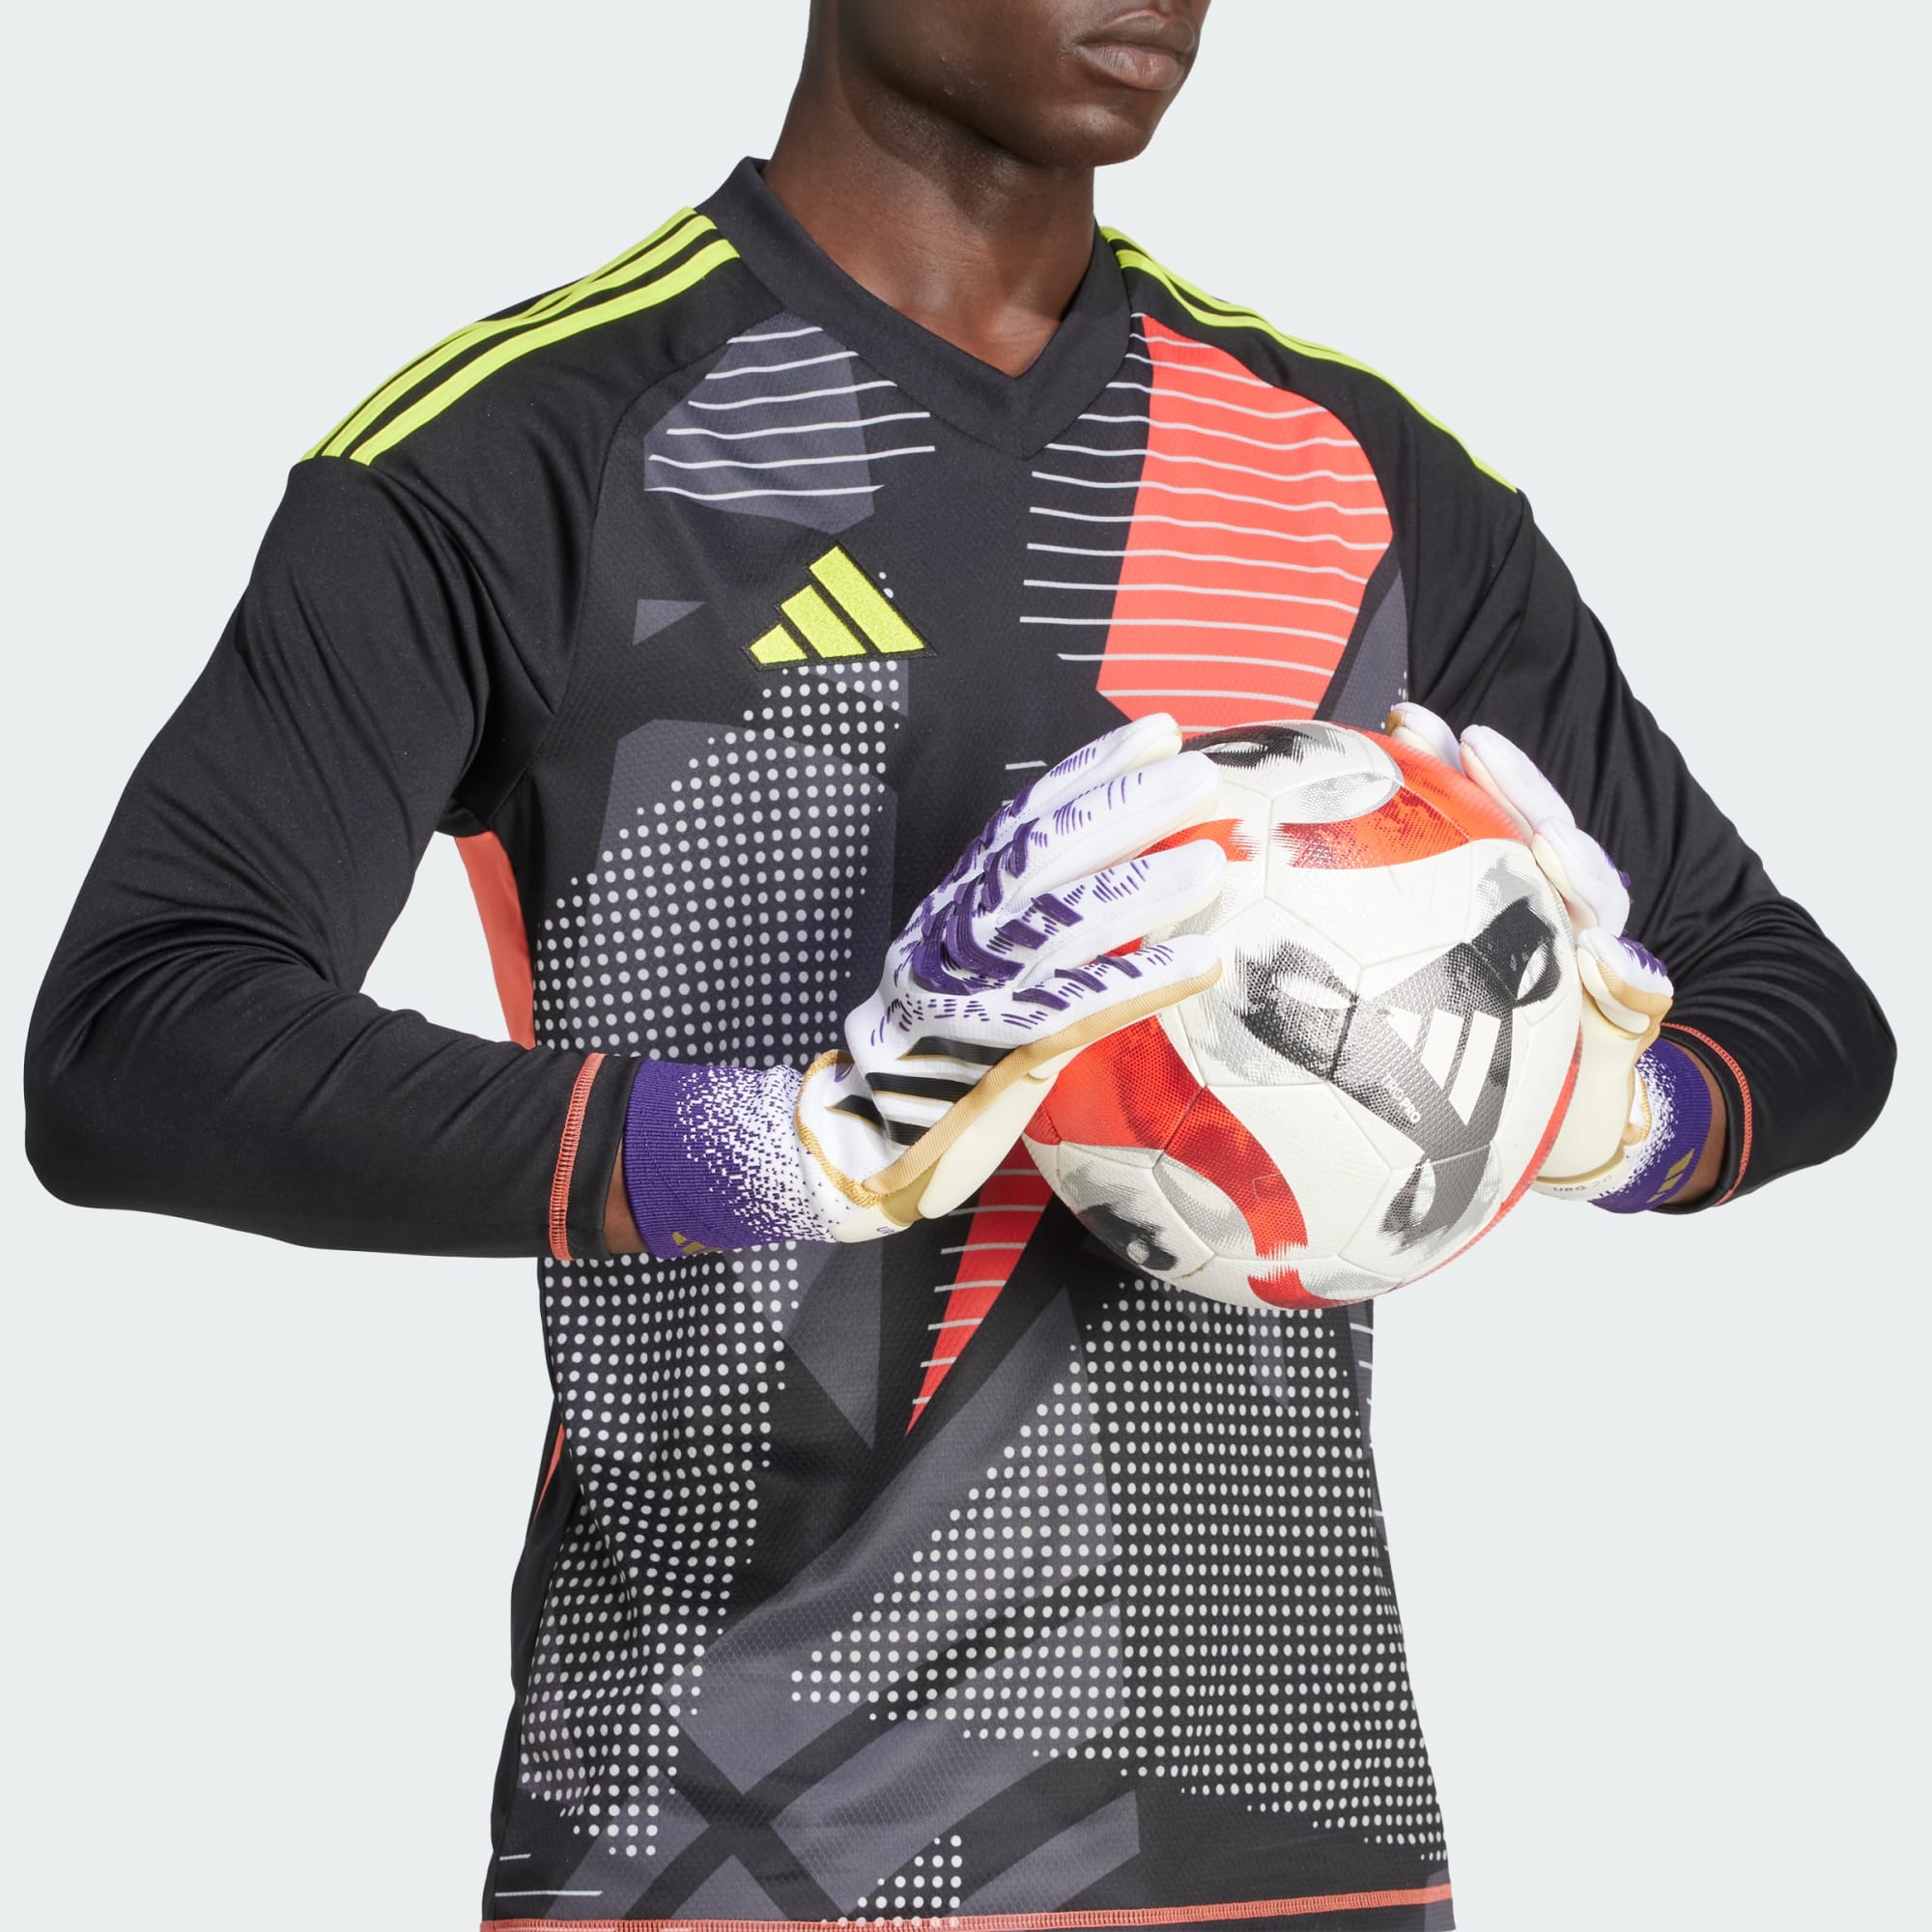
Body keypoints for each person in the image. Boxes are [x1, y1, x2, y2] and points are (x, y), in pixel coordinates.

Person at [23, 1, 1894, 1926]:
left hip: (1295, 1846)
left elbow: (1798, 1001)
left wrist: (1619, 1113)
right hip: (722, 1858)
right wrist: (783, 1145)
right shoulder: (526, 448)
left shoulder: (1351, 472)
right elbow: (133, 1038)